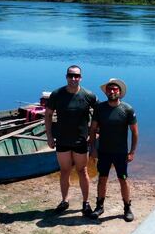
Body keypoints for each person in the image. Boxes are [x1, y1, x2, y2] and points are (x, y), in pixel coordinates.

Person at [45, 65, 97, 215]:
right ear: (66, 76)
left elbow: (98, 115)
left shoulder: (89, 95)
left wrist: (94, 134)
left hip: (81, 140)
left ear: (81, 77)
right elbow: (48, 115)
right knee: (65, 171)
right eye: (70, 75)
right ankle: (64, 200)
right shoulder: (57, 94)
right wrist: (49, 136)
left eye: (76, 76)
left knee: (82, 171)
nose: (73, 78)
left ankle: (86, 203)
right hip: (62, 139)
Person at [88, 78, 139, 222]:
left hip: (120, 152)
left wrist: (132, 152)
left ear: (120, 92)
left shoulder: (127, 109)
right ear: (106, 92)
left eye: (115, 89)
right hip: (103, 151)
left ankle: (127, 208)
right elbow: (92, 130)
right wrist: (93, 148)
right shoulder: (100, 108)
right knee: (102, 179)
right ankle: (99, 206)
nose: (112, 91)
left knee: (123, 179)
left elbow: (135, 132)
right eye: (109, 89)